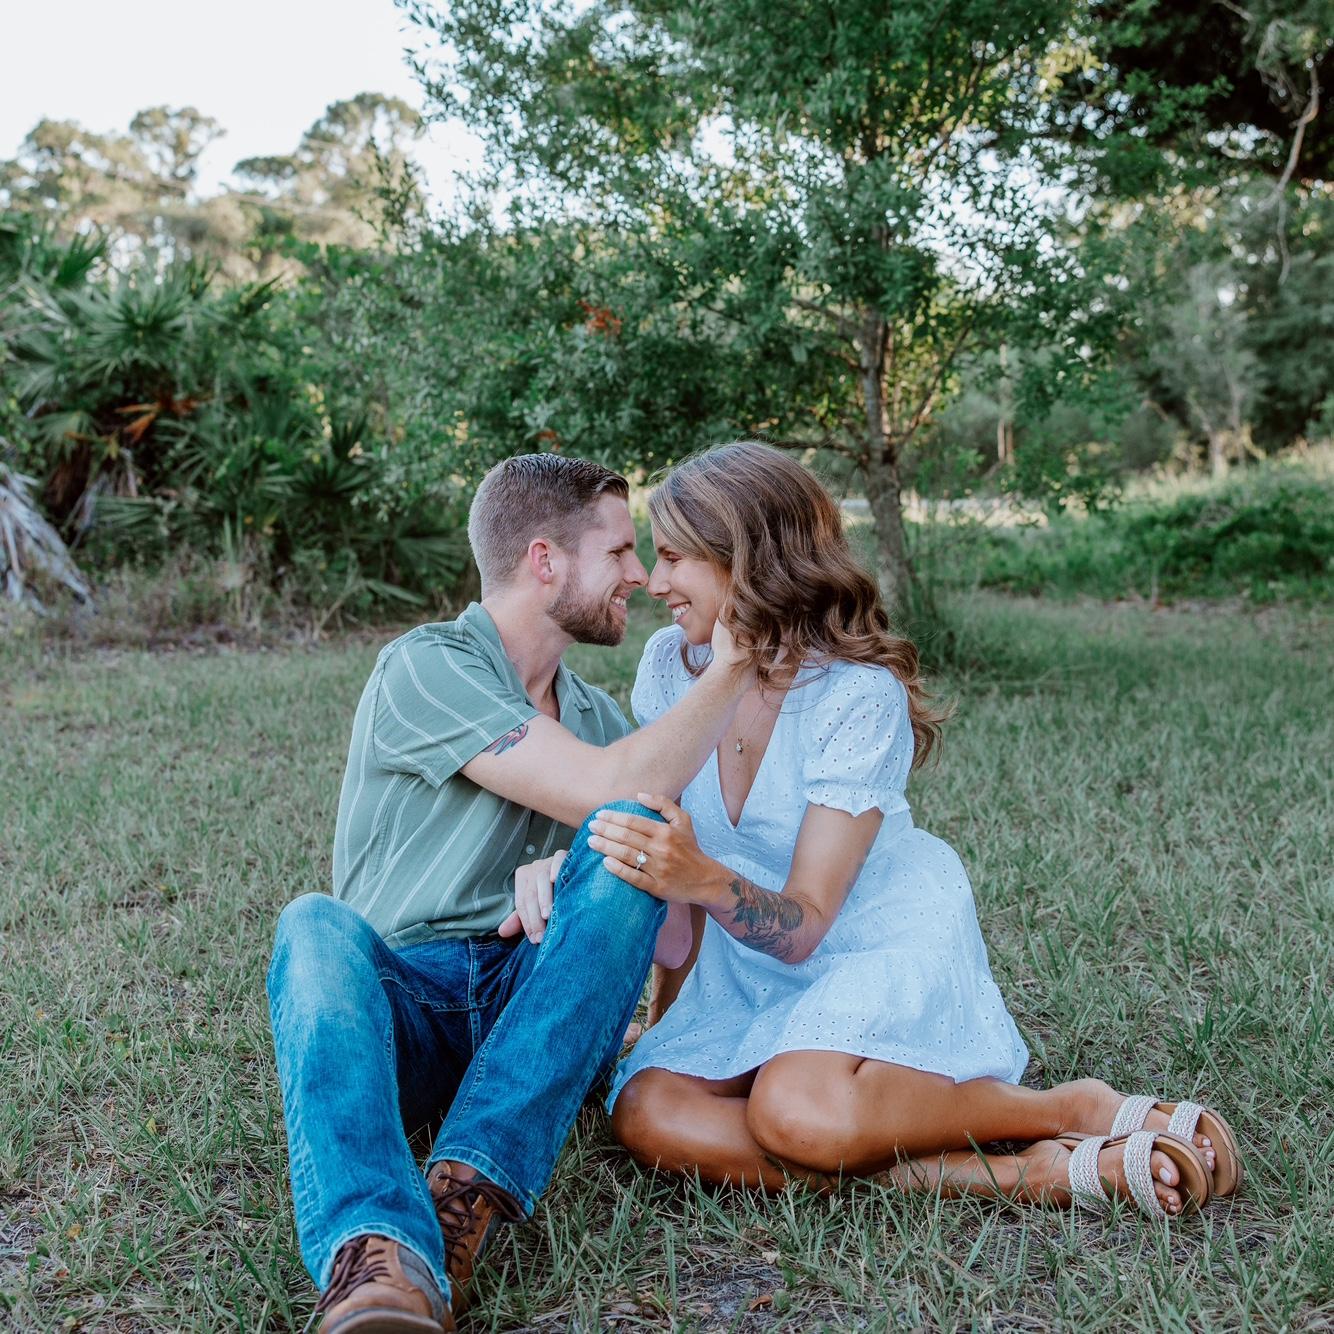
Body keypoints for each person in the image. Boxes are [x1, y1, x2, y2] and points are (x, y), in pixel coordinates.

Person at [586, 441, 1241, 1220]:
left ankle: (1063, 1110)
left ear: (746, 560)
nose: (654, 583)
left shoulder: (856, 696)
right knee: (649, 1113)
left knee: (794, 1115)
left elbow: (802, 926)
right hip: (744, 965)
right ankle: (1025, 1175)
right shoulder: (671, 665)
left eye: (675, 559)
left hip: (861, 941)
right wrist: (670, 1032)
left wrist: (695, 875)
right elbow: (679, 885)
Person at [265, 454, 749, 1333]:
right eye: (621, 551)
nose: (641, 576)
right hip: (404, 1010)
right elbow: (602, 784)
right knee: (311, 924)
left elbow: (670, 918)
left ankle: (461, 1201)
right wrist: (734, 664)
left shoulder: (604, 722)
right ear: (544, 560)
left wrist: (578, 865)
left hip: (536, 1012)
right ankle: (373, 1255)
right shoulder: (424, 668)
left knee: (626, 842)